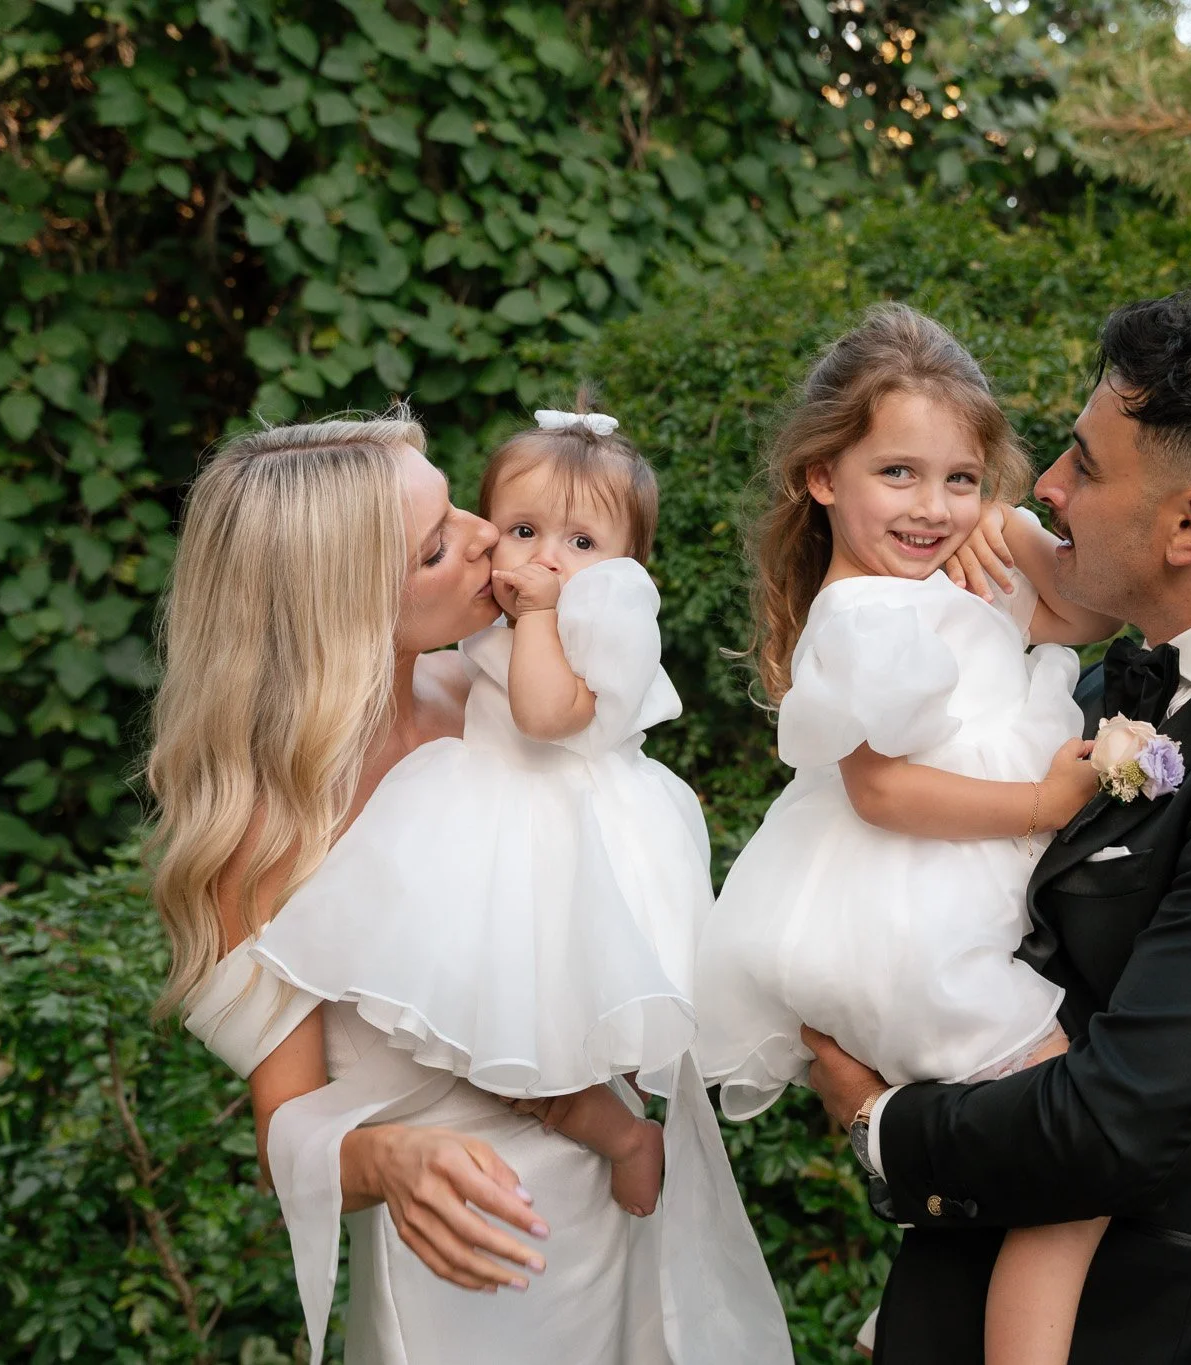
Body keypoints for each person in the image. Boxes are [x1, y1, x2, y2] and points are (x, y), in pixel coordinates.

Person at [802, 287, 1191, 1365]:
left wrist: (881, 1126)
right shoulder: (1119, 684)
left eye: (1085, 468)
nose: (1044, 487)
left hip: (1139, 1331)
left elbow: (1120, 1120)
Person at [146, 406, 784, 1365]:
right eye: (442, 544)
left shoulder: (495, 710)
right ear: (350, 605)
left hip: (618, 1196)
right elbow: (286, 1135)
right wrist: (392, 1157)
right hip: (474, 1249)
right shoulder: (269, 833)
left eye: (458, 506)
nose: (492, 536)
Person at [693, 303, 1123, 1365]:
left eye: (960, 480)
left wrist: (1012, 529)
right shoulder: (859, 620)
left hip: (931, 913)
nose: (932, 509)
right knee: (1077, 1167)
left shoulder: (933, 584)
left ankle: (931, 1306)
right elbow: (881, 792)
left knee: (1028, 1158)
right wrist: (1037, 807)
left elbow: (1083, 612)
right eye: (898, 475)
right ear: (820, 476)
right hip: (904, 934)